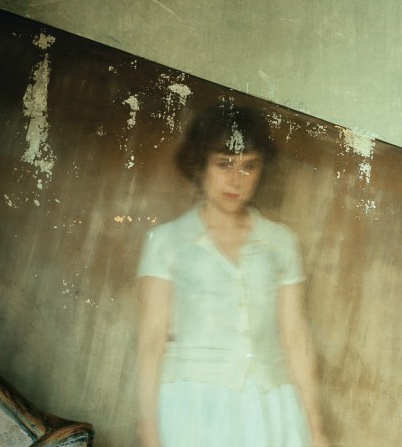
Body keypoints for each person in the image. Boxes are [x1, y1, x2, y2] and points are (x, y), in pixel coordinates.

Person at [136, 105, 329, 446]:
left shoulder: (281, 242)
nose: (236, 180)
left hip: (269, 406)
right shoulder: (166, 241)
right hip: (193, 406)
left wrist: (315, 428)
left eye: (248, 166)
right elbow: (152, 341)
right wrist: (149, 428)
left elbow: (296, 337)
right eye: (224, 164)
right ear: (200, 165)